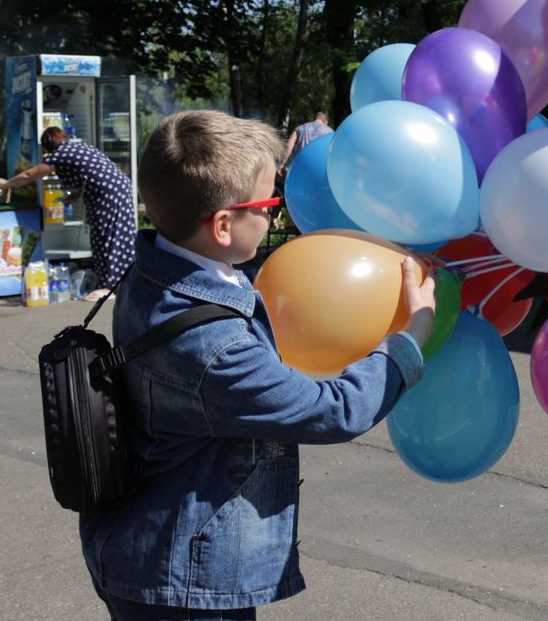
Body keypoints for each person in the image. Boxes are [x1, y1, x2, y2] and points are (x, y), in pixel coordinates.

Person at [79, 109, 435, 619]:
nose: (278, 216)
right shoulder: (213, 346)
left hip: (153, 550)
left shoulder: (160, 265)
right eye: (270, 203)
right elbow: (334, 411)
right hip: (181, 577)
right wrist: (410, 334)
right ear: (223, 224)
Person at [0, 126, 137, 301]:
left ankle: (108, 287)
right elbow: (90, 173)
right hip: (120, 188)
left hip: (106, 194)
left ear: (48, 145)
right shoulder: (80, 147)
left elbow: (29, 174)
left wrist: (6, 184)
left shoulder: (61, 153)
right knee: (120, 235)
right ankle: (124, 281)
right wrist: (74, 195)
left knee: (105, 236)